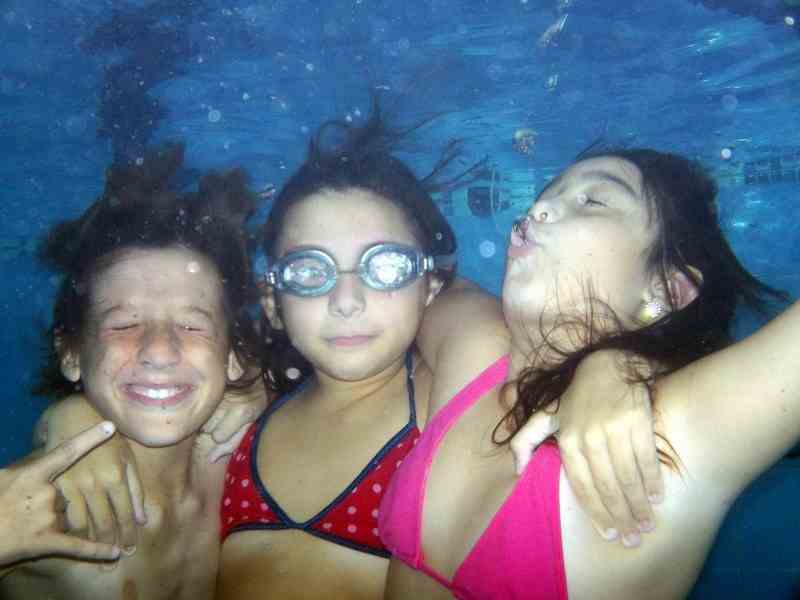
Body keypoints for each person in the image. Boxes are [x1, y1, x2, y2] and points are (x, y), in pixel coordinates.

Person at [380, 148, 795, 599]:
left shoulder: (665, 435)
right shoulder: (473, 345)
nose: (536, 208)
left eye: (593, 200)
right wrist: (624, 359)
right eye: (544, 195)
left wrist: (636, 361)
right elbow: (417, 273)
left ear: (665, 291)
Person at [0, 144, 264, 600]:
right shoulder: (43, 514)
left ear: (233, 355)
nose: (159, 351)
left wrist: (258, 382)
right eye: (123, 325)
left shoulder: (245, 459)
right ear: (71, 353)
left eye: (192, 326)